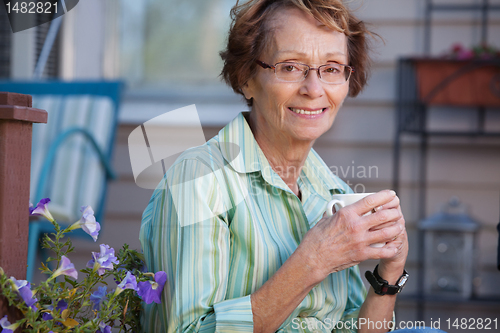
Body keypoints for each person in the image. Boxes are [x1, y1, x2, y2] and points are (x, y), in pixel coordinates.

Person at [140, 0, 446, 332]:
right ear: (246, 79)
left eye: (331, 68)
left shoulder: (335, 193)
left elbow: (354, 328)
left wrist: (389, 275)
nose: (314, 90)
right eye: (289, 66)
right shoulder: (199, 179)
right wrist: (314, 261)